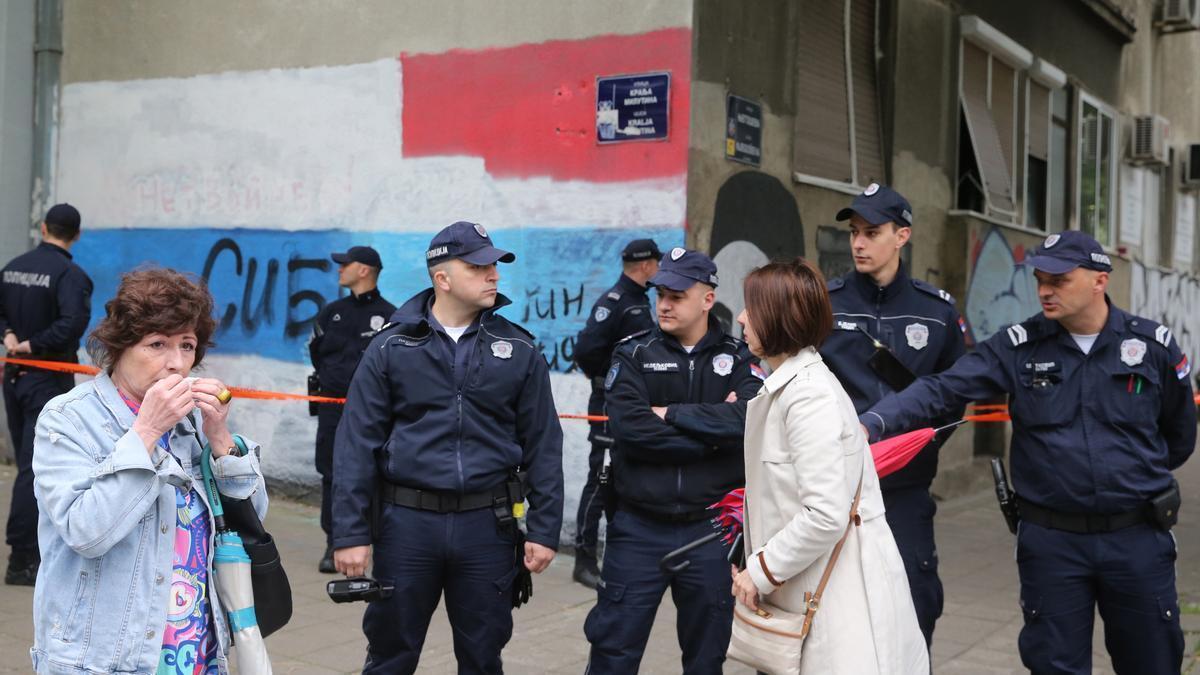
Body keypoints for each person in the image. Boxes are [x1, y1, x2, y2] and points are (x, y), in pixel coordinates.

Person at [861, 231, 1196, 674]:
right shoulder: (1019, 347)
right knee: (1054, 665)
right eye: (1040, 278)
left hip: (1136, 539)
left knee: (1152, 663)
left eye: (1059, 279)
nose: (1044, 290)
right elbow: (944, 388)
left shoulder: (1151, 346)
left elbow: (1179, 438)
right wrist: (872, 423)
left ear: (1099, 279)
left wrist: (1127, 477)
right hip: (1053, 543)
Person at [332, 220, 564, 674]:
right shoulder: (392, 346)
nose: (493, 275)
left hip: (488, 526)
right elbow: (356, 443)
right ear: (442, 278)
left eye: (494, 265)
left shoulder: (517, 348)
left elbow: (543, 442)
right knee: (390, 653)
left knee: (482, 654)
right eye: (479, 266)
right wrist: (350, 533)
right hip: (407, 525)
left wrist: (544, 528)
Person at [29, 267, 267, 674]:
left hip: (196, 650)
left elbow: (251, 522)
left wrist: (219, 434)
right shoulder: (68, 419)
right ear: (120, 346)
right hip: (105, 658)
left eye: (187, 346)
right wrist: (147, 431)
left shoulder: (190, 423)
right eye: (157, 344)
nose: (176, 363)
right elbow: (86, 531)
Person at [731, 258, 928, 673]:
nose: (741, 318)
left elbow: (824, 514)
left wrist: (759, 571)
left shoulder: (808, 396)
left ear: (779, 319)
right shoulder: (790, 385)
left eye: (752, 308)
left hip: (839, 605)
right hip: (809, 590)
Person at [584, 247, 762, 674]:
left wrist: (675, 415)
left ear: (706, 299)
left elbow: (750, 422)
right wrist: (713, 438)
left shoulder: (739, 358)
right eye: (660, 293)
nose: (664, 303)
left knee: (707, 657)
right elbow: (632, 431)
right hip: (638, 529)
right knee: (613, 652)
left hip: (711, 532)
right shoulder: (633, 353)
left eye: (677, 295)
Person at [819, 183, 965, 646]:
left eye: (872, 232)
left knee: (914, 611)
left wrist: (915, 448)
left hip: (903, 492)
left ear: (901, 236)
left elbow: (952, 395)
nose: (858, 243)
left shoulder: (937, 312)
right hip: (833, 491)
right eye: (854, 233)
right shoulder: (825, 303)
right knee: (830, 619)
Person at [0, 203, 93, 585]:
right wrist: (33, 345)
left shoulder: (13, 267)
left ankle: (24, 551)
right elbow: (73, 324)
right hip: (46, 381)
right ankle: (23, 558)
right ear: (77, 234)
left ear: (43, 227)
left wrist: (10, 338)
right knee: (37, 466)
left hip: (15, 377)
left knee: (29, 464)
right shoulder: (71, 274)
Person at [570, 237, 660, 588]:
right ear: (645, 265)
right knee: (600, 479)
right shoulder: (617, 301)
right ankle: (583, 559)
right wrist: (609, 380)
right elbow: (586, 350)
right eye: (656, 262)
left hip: (628, 404)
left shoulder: (638, 300)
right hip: (608, 404)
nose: (658, 268)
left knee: (620, 479)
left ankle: (619, 556)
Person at [309, 245, 395, 573]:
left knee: (376, 473)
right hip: (333, 408)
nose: (339, 269)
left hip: (374, 412)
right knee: (332, 473)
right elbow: (318, 352)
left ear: (364, 270)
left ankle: (376, 539)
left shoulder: (390, 316)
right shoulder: (331, 312)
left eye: (345, 264)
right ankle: (335, 542)